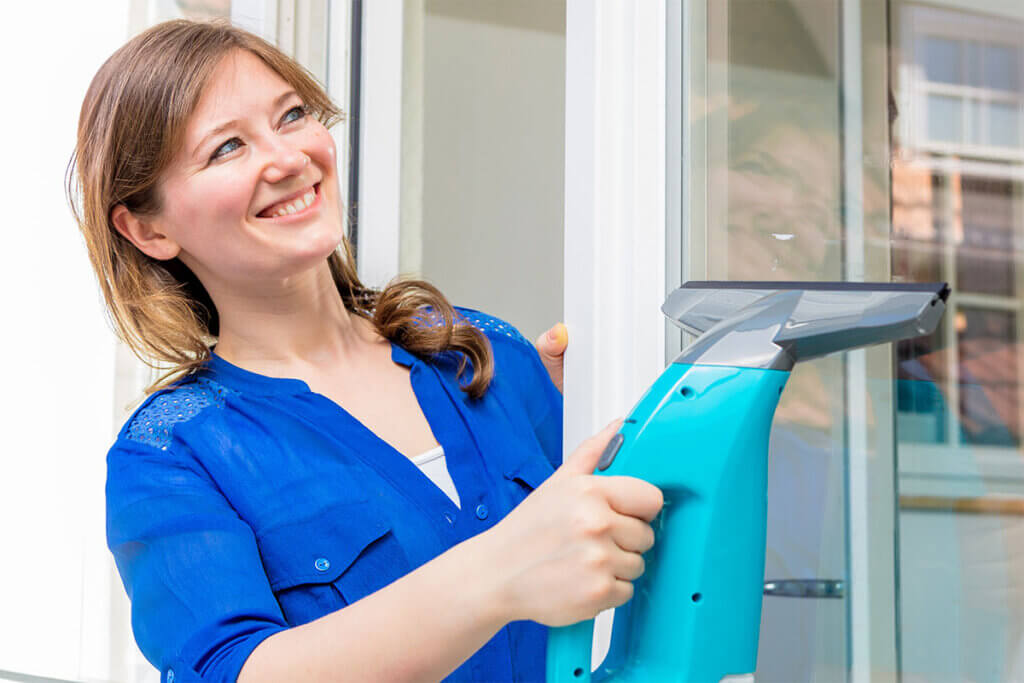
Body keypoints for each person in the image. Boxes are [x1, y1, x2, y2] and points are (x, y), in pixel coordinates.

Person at [67, 18, 663, 683]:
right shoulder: (171, 456)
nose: (289, 157)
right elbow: (235, 671)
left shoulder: (484, 354)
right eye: (227, 148)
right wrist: (501, 570)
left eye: (291, 115)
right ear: (147, 228)